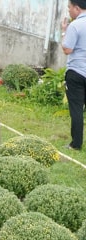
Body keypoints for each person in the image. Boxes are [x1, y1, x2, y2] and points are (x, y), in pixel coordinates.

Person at [62, 0, 86, 150]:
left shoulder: (75, 26)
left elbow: (67, 50)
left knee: (77, 109)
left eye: (69, 8)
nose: (69, 11)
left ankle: (76, 144)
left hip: (76, 72)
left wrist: (64, 31)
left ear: (77, 8)